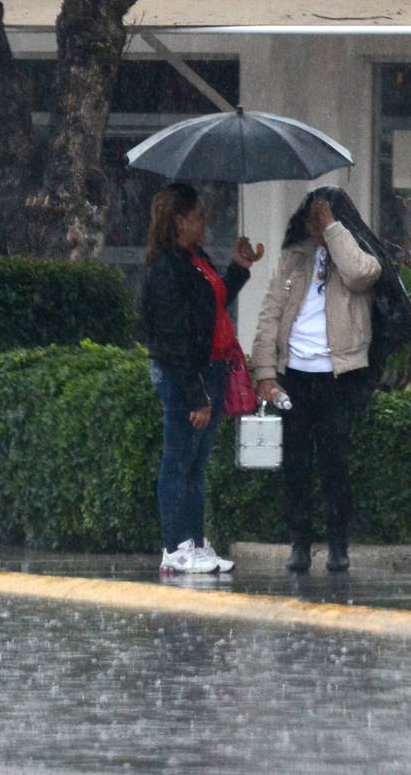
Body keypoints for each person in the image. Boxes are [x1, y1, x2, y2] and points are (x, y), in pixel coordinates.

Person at [252, 186, 383, 573]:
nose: (315, 225)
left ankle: (338, 543)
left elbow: (362, 275)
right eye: (312, 218)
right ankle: (300, 542)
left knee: (335, 463)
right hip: (294, 375)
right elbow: (269, 314)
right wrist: (264, 372)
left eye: (322, 217)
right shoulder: (293, 258)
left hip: (338, 376)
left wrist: (334, 231)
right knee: (295, 463)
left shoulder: (355, 253)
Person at [140, 182, 259, 575]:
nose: (204, 221)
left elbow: (213, 303)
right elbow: (174, 338)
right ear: (181, 221)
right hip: (186, 373)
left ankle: (194, 542)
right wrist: (197, 395)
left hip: (210, 366)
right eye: (198, 216)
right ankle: (175, 545)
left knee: (196, 464)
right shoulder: (167, 269)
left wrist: (238, 270)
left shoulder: (194, 259)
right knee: (178, 461)